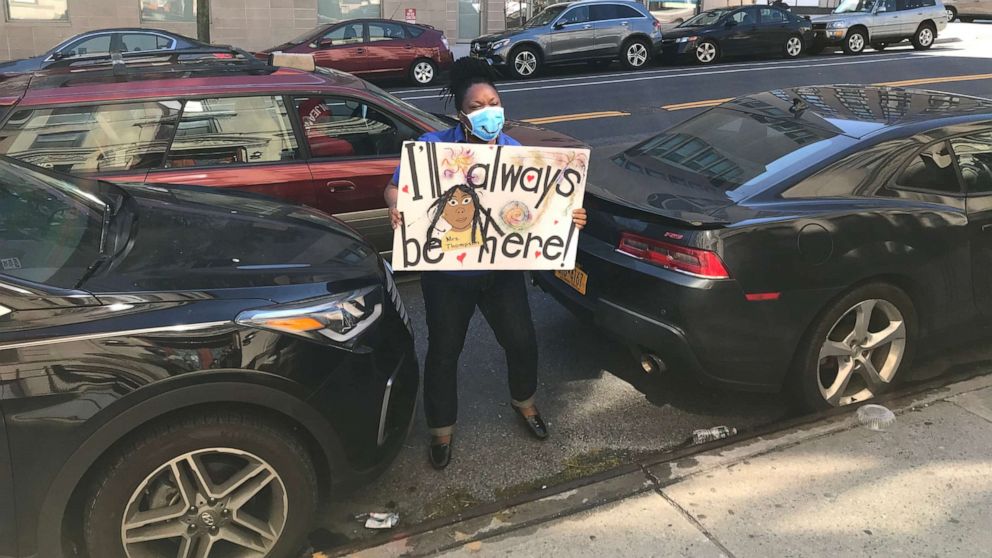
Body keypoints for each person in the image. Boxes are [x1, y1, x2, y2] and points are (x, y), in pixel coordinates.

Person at [384, 57, 587, 470]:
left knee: (521, 340)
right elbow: (394, 187)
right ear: (461, 114)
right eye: (477, 106)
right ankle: (441, 431)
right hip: (446, 276)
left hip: (500, 271)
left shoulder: (515, 154)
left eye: (493, 101)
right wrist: (396, 206)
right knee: (444, 351)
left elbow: (540, 203)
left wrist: (569, 215)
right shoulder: (433, 148)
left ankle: (525, 403)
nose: (488, 110)